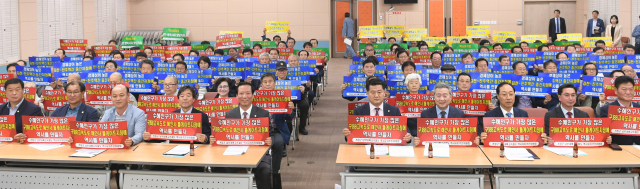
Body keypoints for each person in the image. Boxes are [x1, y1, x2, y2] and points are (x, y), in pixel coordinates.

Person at [210, 82, 278, 189]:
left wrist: (271, 140)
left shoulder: (263, 114)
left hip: (258, 154)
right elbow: (225, 136)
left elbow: (273, 135)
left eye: (248, 93)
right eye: (241, 93)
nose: (244, 96)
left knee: (265, 170)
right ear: (236, 96)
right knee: (223, 168)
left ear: (253, 95)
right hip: (235, 154)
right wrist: (215, 138)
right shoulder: (230, 114)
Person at [342, 77, 412, 144]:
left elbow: (404, 129)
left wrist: (408, 137)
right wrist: (347, 135)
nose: (376, 95)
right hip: (367, 148)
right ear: (367, 93)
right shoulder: (359, 111)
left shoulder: (394, 110)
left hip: (389, 147)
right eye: (372, 92)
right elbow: (353, 134)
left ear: (384, 92)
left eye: (379, 92)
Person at [142, 85, 210, 144]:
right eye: (182, 96)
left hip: (195, 149)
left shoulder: (202, 116)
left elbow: (208, 136)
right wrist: (149, 137)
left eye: (188, 96)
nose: (185, 98)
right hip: (174, 150)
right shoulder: (172, 115)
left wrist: (205, 138)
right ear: (178, 99)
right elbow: (162, 136)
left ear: (193, 99)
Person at [599, 76, 640, 145]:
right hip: (619, 148)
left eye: (631, 89)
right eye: (624, 89)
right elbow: (603, 134)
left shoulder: (638, 108)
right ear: (615, 90)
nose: (628, 92)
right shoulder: (607, 109)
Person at [3, 78, 44, 143]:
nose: (14, 93)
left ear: (23, 91)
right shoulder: (1, 108)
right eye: (10, 90)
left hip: (22, 147)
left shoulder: (34, 109)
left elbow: (39, 132)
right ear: (5, 92)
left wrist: (24, 137)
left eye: (17, 90)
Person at [274, 62, 310, 135]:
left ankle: (302, 127)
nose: (282, 72)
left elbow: (300, 97)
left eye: (283, 70)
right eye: (280, 70)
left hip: (291, 102)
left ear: (287, 71)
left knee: (305, 104)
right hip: (276, 103)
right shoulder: (272, 82)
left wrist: (302, 91)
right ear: (276, 71)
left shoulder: (293, 82)